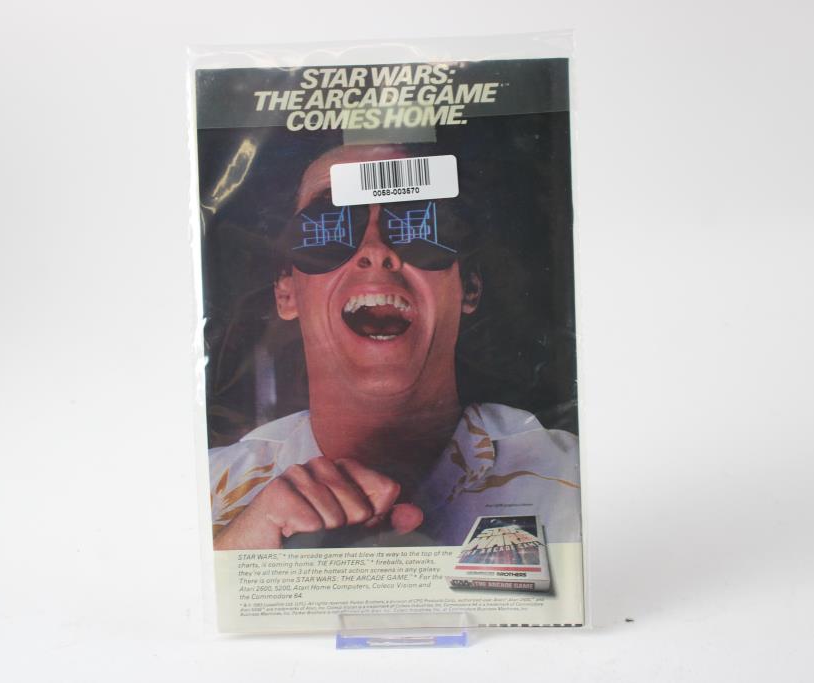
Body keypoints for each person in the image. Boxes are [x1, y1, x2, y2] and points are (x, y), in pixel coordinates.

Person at [210, 144, 581, 550]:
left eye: (418, 224)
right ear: (286, 292)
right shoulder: (204, 495)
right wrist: (236, 555)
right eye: (330, 225)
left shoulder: (574, 485)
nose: (375, 250)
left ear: (469, 287)